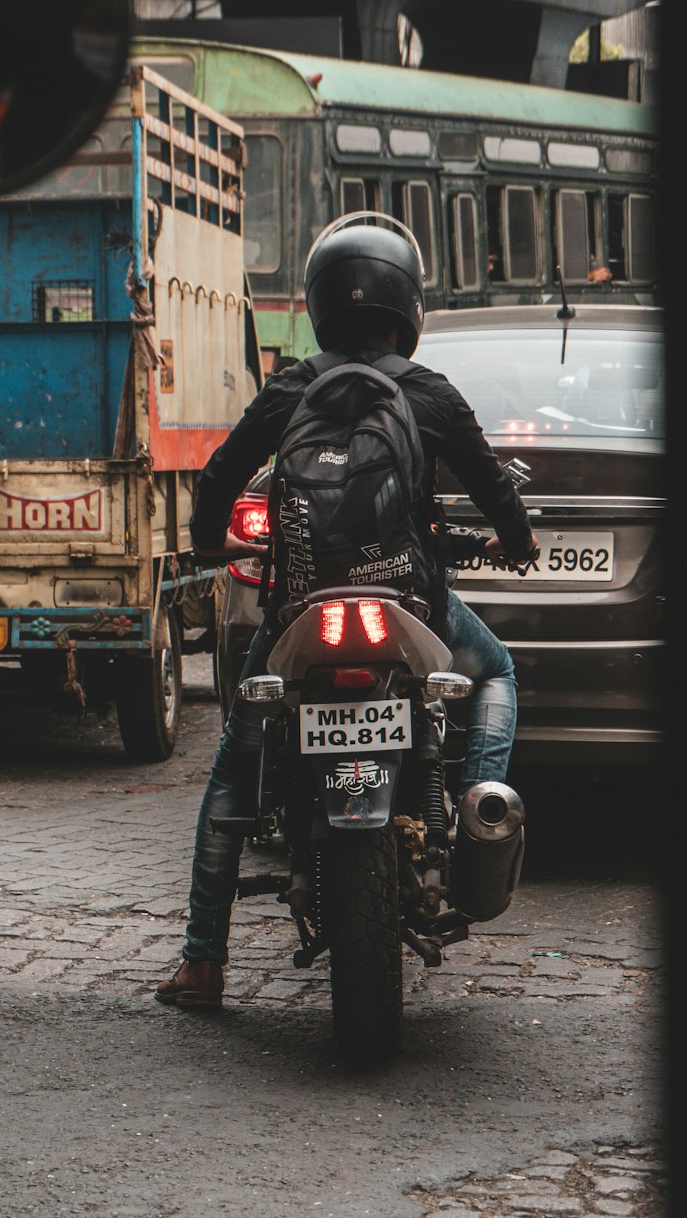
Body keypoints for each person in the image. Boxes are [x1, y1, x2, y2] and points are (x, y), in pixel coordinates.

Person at [156, 218, 538, 1009]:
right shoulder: (427, 392)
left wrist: (204, 544)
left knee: (236, 759)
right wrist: (519, 543)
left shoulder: (293, 386)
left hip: (299, 611)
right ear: (408, 303)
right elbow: (494, 486)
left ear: (321, 303)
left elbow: (221, 476)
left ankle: (202, 959)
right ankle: (478, 821)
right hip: (409, 603)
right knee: (494, 670)